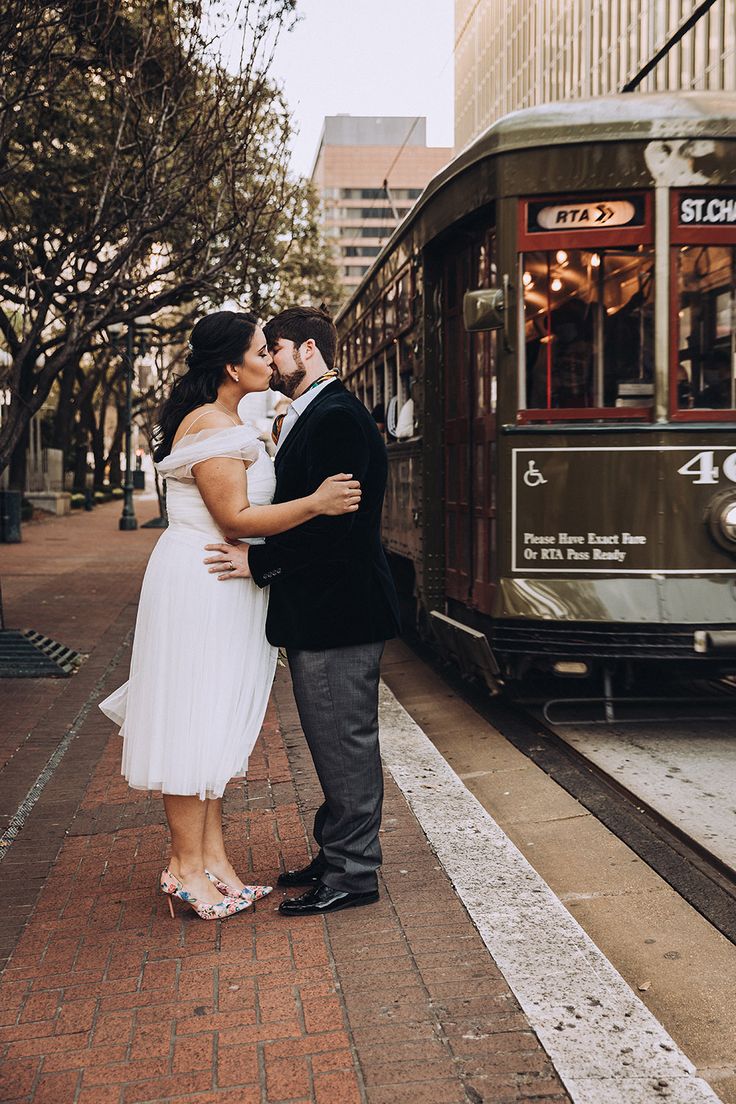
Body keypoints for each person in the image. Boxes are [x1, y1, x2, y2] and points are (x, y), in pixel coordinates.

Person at [99, 311, 361, 921]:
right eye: (259, 352)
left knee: (212, 718)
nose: (270, 361)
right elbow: (236, 520)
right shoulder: (213, 427)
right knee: (193, 715)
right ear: (230, 367)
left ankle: (213, 860)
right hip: (205, 579)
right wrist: (317, 503)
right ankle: (185, 868)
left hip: (225, 581)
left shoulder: (231, 420)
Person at [204, 305, 401, 917]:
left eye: (277, 349)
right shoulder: (312, 413)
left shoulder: (337, 416)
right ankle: (337, 850)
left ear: (307, 350)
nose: (271, 359)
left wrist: (260, 564)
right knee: (329, 739)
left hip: (340, 611)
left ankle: (354, 873)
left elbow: (334, 529)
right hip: (325, 610)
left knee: (343, 740)